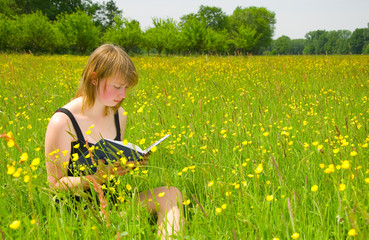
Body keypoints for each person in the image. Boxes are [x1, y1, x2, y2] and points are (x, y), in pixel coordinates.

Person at [45, 44, 183, 239]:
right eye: (117, 87)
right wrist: (93, 179)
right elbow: (54, 185)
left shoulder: (119, 116)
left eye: (126, 88)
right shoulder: (63, 121)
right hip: (81, 213)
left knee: (172, 193)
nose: (123, 95)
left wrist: (129, 163)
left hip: (113, 203)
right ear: (94, 78)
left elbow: (111, 167)